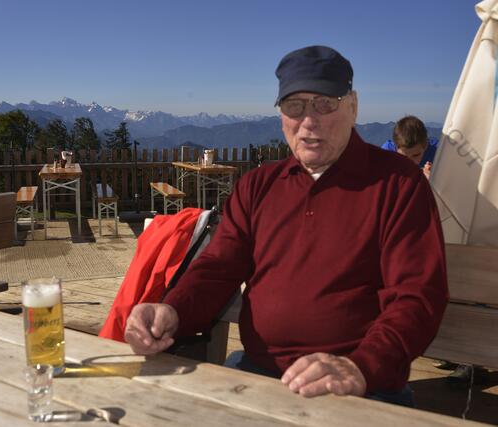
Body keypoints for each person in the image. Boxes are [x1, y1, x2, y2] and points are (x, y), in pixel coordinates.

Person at [124, 45, 448, 407]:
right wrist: (173, 310)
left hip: (363, 387)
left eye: (325, 102)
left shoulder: (398, 184)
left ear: (353, 106)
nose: (309, 121)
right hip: (259, 372)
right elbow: (218, 269)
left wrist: (361, 366)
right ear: (280, 115)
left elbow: (417, 297)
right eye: (294, 105)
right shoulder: (258, 186)